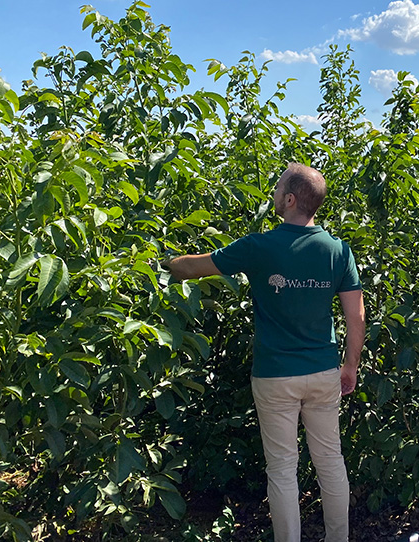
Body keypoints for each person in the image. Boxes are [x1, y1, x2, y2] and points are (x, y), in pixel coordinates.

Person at [166, 163, 365, 542]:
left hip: (275, 375)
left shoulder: (258, 246)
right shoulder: (338, 251)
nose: (273, 194)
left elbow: (195, 268)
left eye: (277, 189)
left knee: (282, 468)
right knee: (330, 462)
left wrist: (166, 264)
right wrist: (350, 365)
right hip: (323, 371)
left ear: (289, 199)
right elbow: (355, 314)